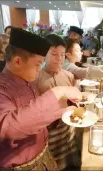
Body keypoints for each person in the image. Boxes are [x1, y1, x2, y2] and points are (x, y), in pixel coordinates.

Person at [0, 27, 82, 171]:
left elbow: (33, 115)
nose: (40, 69)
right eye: (38, 64)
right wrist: (58, 91)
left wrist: (63, 110)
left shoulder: (26, 80)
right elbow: (7, 128)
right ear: (17, 61)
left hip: (43, 157)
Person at [38, 34, 80, 171]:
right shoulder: (36, 78)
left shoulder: (68, 75)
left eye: (62, 54)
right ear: (44, 54)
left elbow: (73, 100)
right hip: (49, 133)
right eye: (54, 54)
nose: (59, 59)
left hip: (67, 131)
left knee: (70, 160)